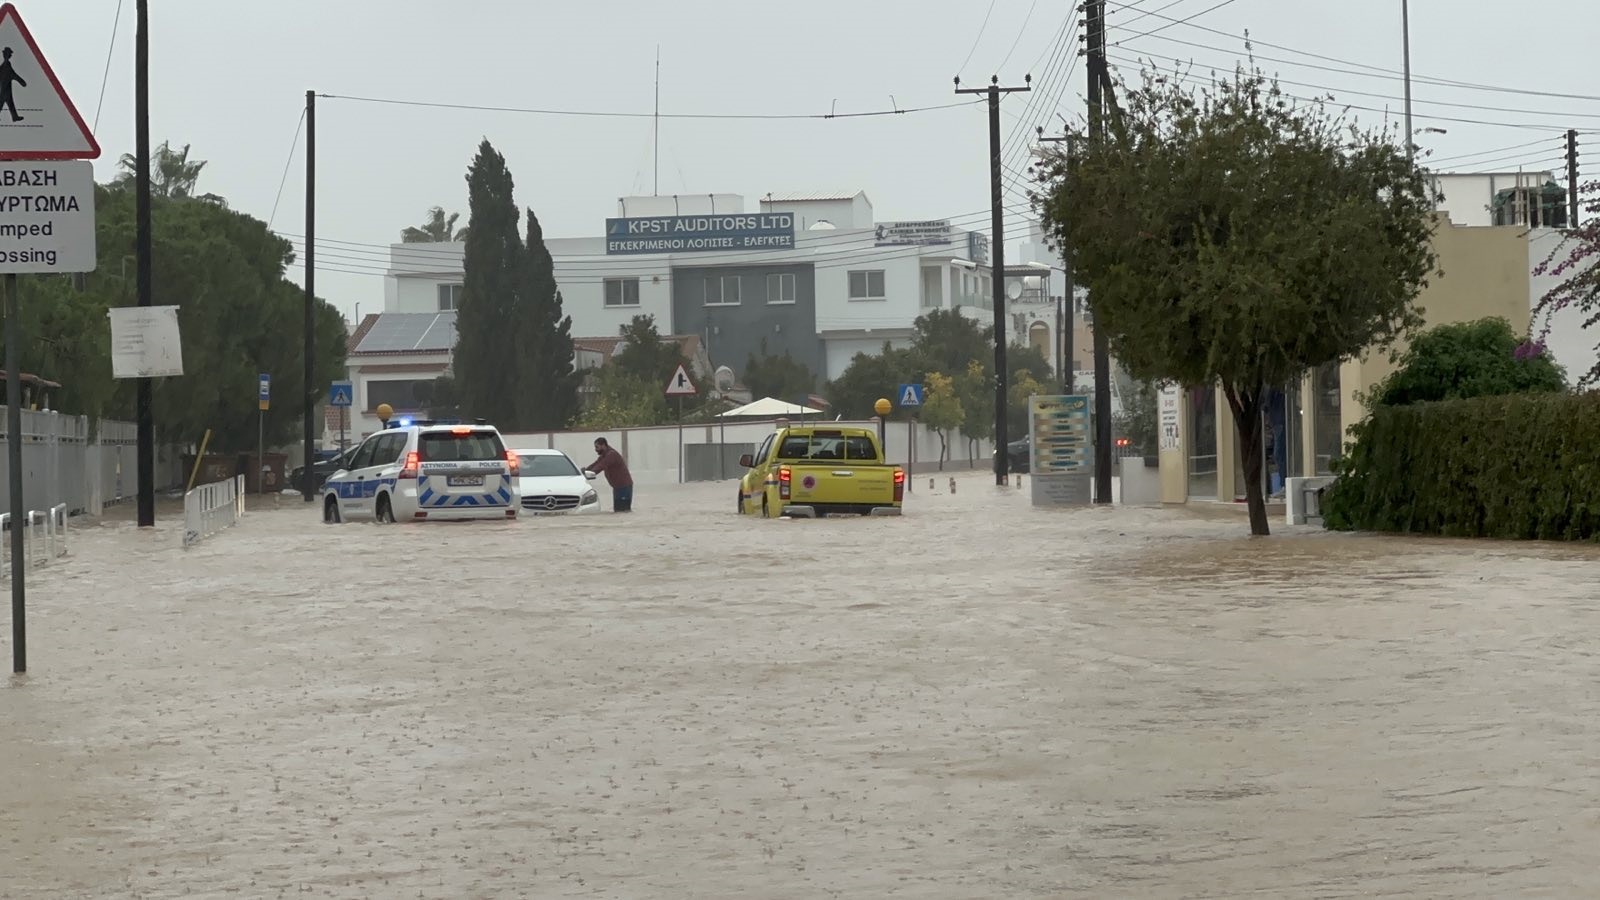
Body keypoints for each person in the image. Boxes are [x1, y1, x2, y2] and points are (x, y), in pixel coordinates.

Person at [583, 437, 634, 512]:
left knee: (623, 511)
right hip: (617, 487)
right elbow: (596, 464)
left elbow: (601, 466)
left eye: (597, 447)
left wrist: (589, 474)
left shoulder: (611, 455)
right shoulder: (604, 455)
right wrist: (582, 472)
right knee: (618, 511)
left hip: (624, 487)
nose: (595, 449)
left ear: (603, 445)